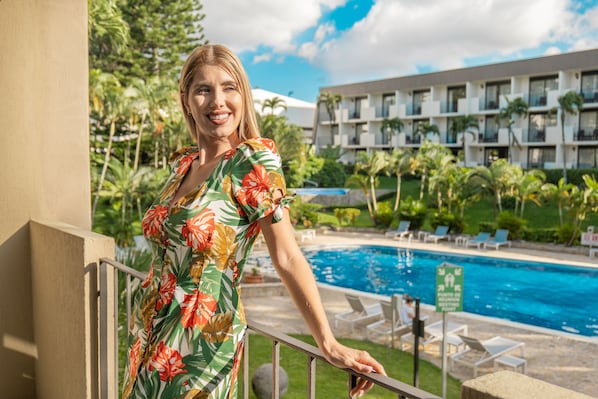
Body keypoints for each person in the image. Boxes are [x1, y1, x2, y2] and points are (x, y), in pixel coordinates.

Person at [122, 44, 386, 399]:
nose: (218, 101)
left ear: (242, 97)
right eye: (204, 90)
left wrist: (328, 342)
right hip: (148, 336)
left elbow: (287, 256)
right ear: (186, 99)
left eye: (229, 88)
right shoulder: (182, 166)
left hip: (198, 348)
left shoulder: (251, 164)